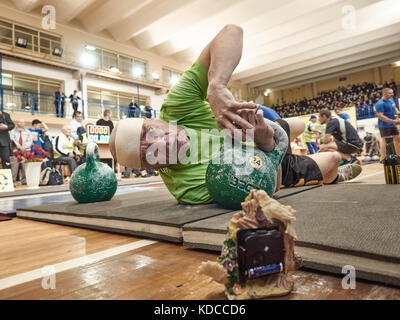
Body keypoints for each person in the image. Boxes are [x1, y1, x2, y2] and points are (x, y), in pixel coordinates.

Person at [110, 25, 361, 205]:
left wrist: (216, 85)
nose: (161, 142)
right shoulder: (188, 189)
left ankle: (302, 141)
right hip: (269, 165)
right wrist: (265, 144)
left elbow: (232, 32)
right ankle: (335, 176)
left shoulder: (176, 106)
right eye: (149, 153)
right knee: (334, 160)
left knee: (298, 123)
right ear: (152, 168)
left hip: (259, 130)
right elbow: (263, 188)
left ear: (154, 119)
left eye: (151, 132)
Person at [374, 87, 400, 160]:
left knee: (397, 139)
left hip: (392, 124)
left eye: (392, 92)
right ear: (385, 94)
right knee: (384, 140)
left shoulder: (391, 100)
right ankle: (383, 158)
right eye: (390, 93)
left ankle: (399, 156)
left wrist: (397, 113)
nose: (392, 94)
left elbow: (395, 108)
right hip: (384, 125)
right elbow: (380, 116)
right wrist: (393, 121)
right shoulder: (380, 103)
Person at [9, 119, 33, 184]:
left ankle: (24, 181)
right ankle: (12, 181)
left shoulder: (28, 132)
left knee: (24, 166)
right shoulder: (12, 132)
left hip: (26, 151)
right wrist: (19, 147)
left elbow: (30, 141)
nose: (21, 123)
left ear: (24, 123)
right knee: (14, 167)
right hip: (16, 151)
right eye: (19, 122)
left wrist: (24, 147)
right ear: (17, 123)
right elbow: (12, 140)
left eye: (22, 122)